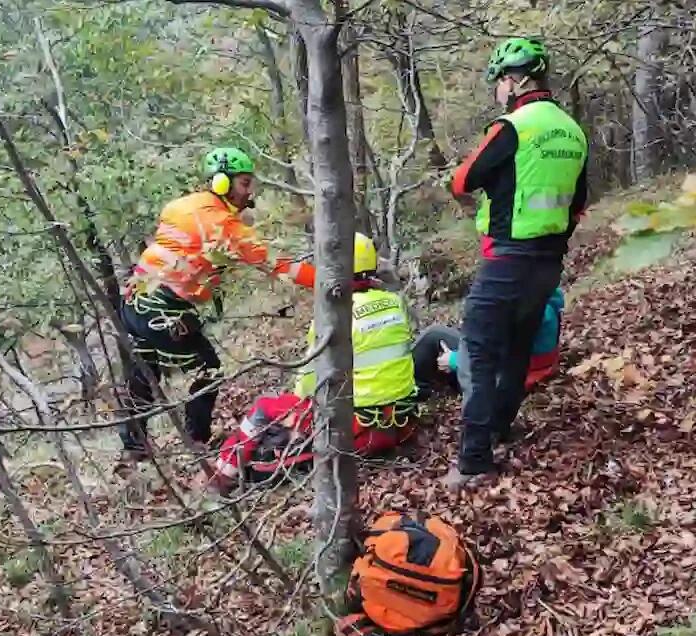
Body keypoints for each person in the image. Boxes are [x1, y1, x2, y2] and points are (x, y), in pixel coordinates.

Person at [446, 38, 588, 489]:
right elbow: (579, 203)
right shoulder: (572, 130)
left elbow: (463, 180)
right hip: (548, 263)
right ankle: (501, 430)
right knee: (517, 353)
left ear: (514, 80)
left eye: (499, 82)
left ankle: (473, 462)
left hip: (507, 259)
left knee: (483, 354)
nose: (498, 91)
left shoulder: (513, 126)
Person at [119, 147, 315, 457]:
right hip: (163, 306)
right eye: (244, 183)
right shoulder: (221, 223)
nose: (249, 192)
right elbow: (276, 264)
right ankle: (197, 442)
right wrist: (325, 281)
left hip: (134, 296)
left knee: (144, 372)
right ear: (222, 183)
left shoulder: (182, 205)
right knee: (207, 369)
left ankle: (134, 447)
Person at [208, 233, 419, 492]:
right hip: (400, 422)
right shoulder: (394, 302)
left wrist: (298, 418)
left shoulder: (332, 317)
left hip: (357, 426)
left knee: (265, 408)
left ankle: (221, 477)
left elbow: (310, 380)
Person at [412, 287, 565, 400]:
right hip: (527, 372)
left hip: (508, 385)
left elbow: (496, 360)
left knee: (433, 336)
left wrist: (454, 360)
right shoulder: (545, 300)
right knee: (437, 333)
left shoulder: (529, 314)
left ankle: (412, 394)